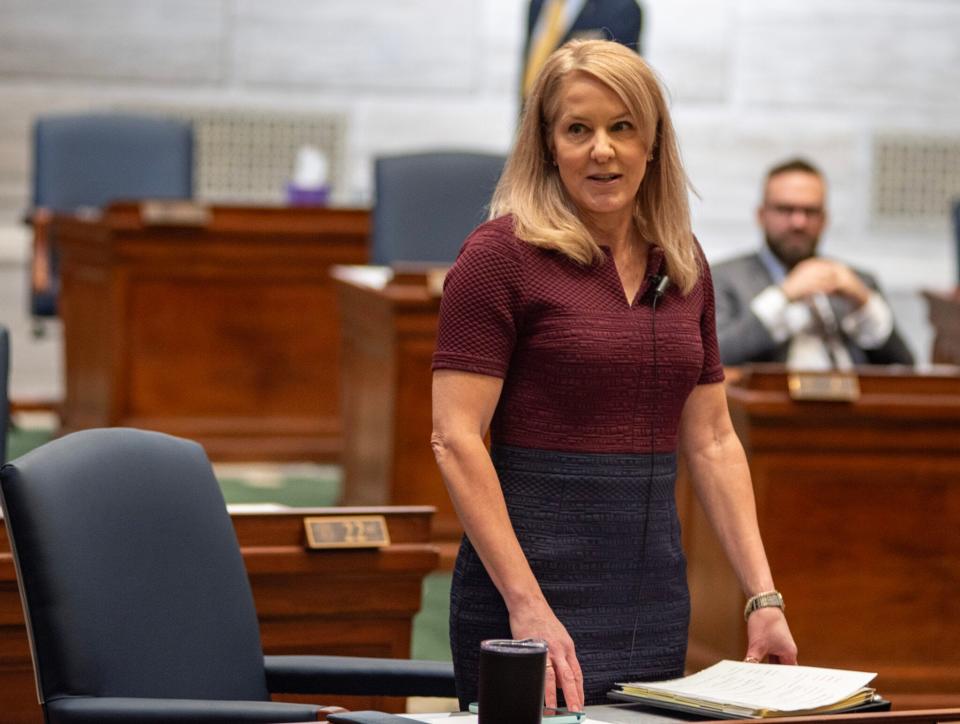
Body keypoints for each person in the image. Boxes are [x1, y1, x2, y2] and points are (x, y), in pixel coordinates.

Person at [430, 39, 797, 712]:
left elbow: (713, 440)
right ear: (547, 146)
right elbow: (455, 437)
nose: (603, 149)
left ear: (652, 144)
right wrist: (526, 606)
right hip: (524, 607)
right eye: (579, 129)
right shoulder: (498, 258)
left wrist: (762, 596)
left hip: (651, 607)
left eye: (622, 127)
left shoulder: (683, 266)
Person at [712, 159, 914, 368]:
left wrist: (863, 301)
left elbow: (904, 366)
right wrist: (782, 297)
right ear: (761, 216)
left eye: (810, 211)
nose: (799, 222)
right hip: (768, 398)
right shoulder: (724, 279)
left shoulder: (856, 281)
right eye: (785, 209)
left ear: (825, 219)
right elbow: (714, 358)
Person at [522, 0, 643, 98]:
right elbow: (530, 66)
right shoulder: (537, 4)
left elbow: (626, 83)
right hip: (531, 114)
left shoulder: (622, 8)